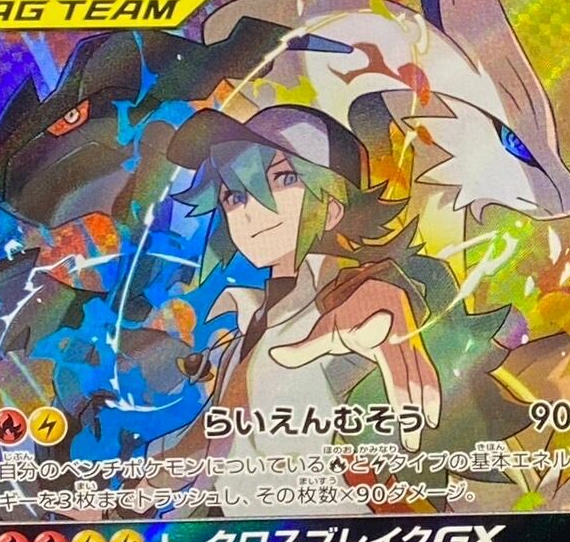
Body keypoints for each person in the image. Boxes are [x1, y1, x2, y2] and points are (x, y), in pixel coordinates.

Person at [160, 103, 441, 510]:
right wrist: (129, 494)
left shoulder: (341, 307)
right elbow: (216, 435)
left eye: (284, 178)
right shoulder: (250, 325)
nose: (251, 210)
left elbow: (365, 307)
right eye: (234, 195)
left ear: (333, 205)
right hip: (243, 538)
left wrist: (385, 295)